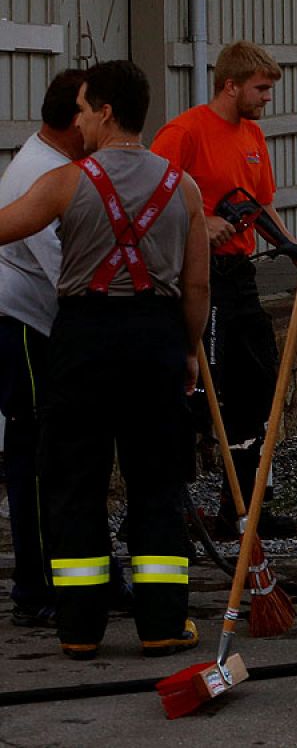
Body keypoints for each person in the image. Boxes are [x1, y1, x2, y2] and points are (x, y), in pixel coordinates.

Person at [0, 60, 210, 659]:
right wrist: (189, 349)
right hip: (155, 340)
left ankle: (79, 629)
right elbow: (197, 287)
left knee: (74, 483)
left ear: (107, 112)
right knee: (156, 482)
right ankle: (162, 623)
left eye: (85, 109)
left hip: (83, 340)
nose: (81, 120)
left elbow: (5, 227)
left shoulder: (66, 182)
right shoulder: (183, 188)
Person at [153, 41, 297, 538]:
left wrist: (292, 247)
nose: (267, 98)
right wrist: (203, 219)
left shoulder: (253, 136)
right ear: (230, 86)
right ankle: (168, 509)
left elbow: (260, 205)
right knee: (201, 390)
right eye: (261, 89)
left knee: (256, 382)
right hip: (197, 275)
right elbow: (150, 196)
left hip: (240, 276)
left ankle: (241, 507)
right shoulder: (184, 133)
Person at [1, 69, 86, 627]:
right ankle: (35, 588)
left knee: (59, 456)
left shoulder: (57, 164)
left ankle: (71, 575)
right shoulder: (41, 174)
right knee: (34, 458)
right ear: (79, 121)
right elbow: (68, 271)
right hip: (26, 327)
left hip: (43, 326)